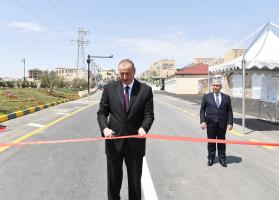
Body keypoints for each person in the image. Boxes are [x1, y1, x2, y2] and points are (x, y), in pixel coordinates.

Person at [97, 59, 154, 200]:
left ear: (134, 72)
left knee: (135, 184)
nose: (124, 77)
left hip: (135, 144)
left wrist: (143, 128)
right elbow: (102, 113)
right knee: (113, 183)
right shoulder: (109, 89)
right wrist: (105, 128)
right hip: (113, 143)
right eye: (121, 74)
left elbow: (149, 115)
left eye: (127, 74)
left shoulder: (145, 90)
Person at [200, 81, 233, 167]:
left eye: (217, 85)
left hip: (222, 123)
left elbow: (229, 111)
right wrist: (203, 121)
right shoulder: (207, 97)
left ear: (220, 87)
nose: (215, 87)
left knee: (221, 142)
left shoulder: (226, 97)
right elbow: (202, 110)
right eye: (214, 85)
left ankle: (222, 158)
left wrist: (230, 123)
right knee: (211, 141)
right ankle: (211, 157)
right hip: (210, 123)